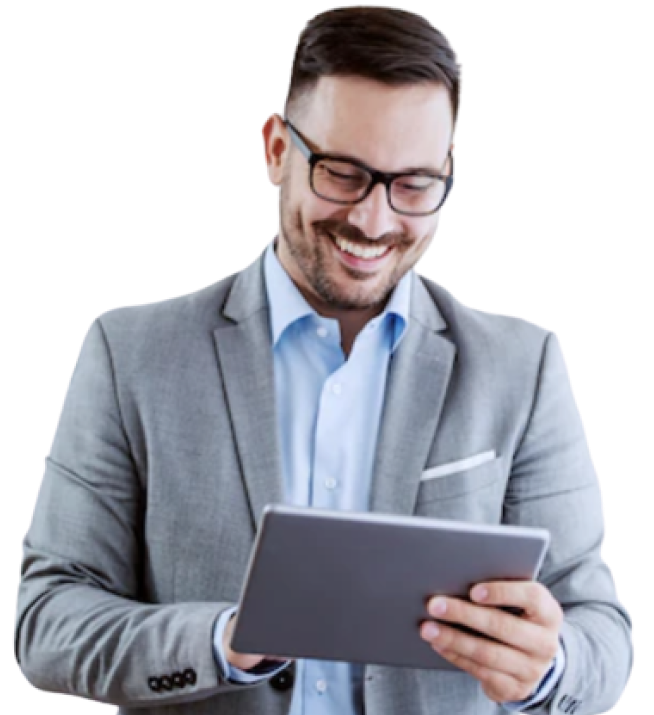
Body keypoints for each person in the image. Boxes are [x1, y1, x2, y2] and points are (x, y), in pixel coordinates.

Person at [14, 6, 633, 715]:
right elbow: (47, 621)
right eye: (342, 173)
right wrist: (223, 640)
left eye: (414, 184)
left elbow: (601, 633)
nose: (373, 221)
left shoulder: (523, 367)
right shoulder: (130, 355)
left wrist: (549, 664)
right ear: (277, 150)